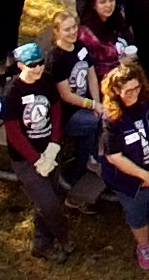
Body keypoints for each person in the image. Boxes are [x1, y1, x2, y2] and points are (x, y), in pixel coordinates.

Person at [100, 63, 149, 271]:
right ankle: (143, 246)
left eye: (137, 88)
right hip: (128, 177)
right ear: (116, 91)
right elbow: (114, 156)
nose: (134, 94)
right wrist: (143, 175)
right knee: (136, 212)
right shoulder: (111, 116)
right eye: (128, 91)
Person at [0, 42, 73, 263]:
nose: (39, 68)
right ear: (21, 66)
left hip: (50, 150)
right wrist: (36, 159)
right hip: (26, 159)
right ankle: (63, 235)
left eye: (40, 63)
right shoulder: (12, 92)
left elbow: (56, 112)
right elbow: (13, 132)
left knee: (50, 196)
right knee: (48, 203)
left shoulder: (47, 80)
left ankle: (41, 242)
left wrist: (54, 144)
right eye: (33, 65)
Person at [44, 11, 104, 197]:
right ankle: (99, 158)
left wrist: (97, 102)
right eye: (67, 29)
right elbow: (66, 95)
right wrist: (92, 106)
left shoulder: (81, 46)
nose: (72, 32)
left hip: (86, 105)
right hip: (67, 114)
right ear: (57, 32)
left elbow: (92, 75)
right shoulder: (56, 59)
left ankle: (77, 173)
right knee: (99, 122)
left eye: (74, 27)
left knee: (89, 134)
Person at [77, 0, 135, 81]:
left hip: (127, 73)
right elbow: (91, 67)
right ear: (93, 5)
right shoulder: (87, 34)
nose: (108, 5)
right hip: (107, 81)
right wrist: (120, 63)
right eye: (103, 2)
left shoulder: (117, 19)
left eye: (111, 0)